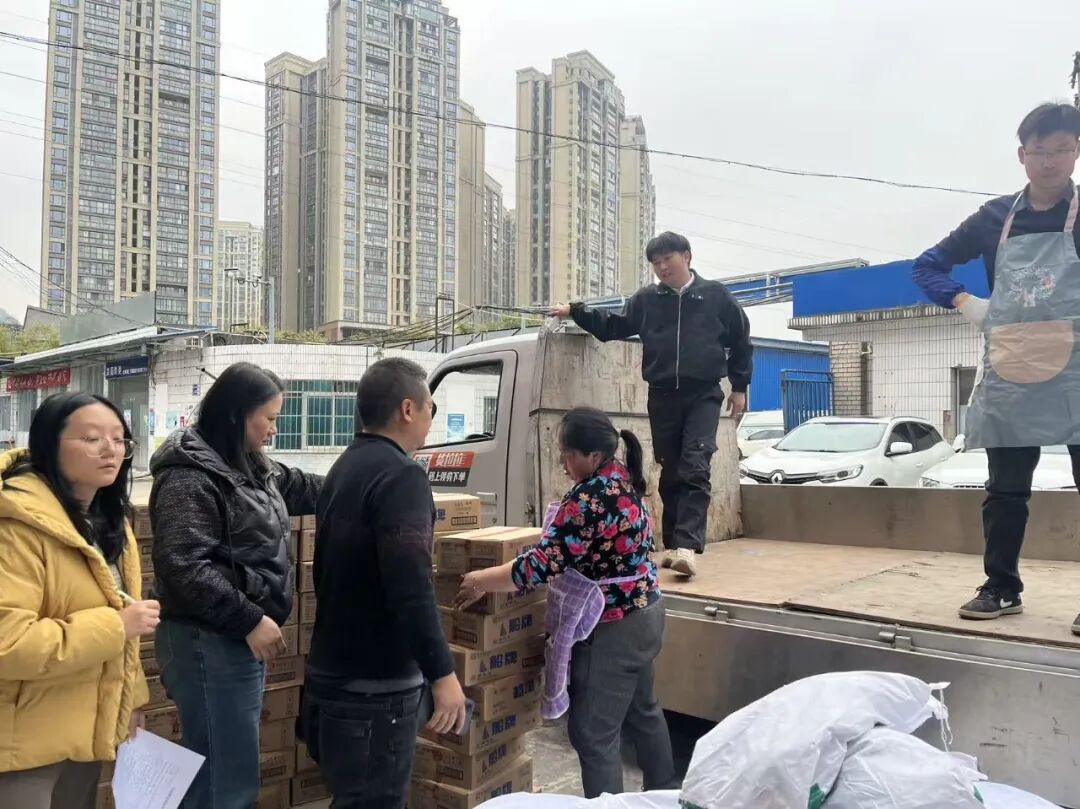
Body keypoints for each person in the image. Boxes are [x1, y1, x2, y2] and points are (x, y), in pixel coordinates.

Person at [912, 102, 1080, 627]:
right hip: (1013, 367)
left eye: (1061, 150)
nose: (1050, 161)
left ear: (1076, 151)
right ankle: (1001, 587)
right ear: (1021, 155)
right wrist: (964, 301)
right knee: (1005, 490)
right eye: (1039, 151)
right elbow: (927, 265)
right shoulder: (993, 217)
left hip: (1078, 371)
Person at [456, 407, 676, 799]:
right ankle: (666, 793)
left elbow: (543, 563)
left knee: (593, 733)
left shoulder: (589, 497)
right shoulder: (621, 476)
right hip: (647, 612)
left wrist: (480, 580)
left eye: (568, 454)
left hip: (614, 627)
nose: (563, 463)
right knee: (643, 711)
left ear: (593, 455)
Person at [149, 363, 323, 809]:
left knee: (228, 765)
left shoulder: (248, 465)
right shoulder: (189, 475)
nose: (274, 429)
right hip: (208, 640)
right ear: (235, 414)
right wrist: (249, 620)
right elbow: (183, 566)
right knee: (223, 779)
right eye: (269, 418)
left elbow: (301, 487)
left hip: (232, 639)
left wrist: (365, 480)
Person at [301, 357, 467, 809]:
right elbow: (410, 586)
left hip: (331, 680)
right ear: (408, 409)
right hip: (374, 694)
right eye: (431, 408)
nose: (431, 418)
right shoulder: (402, 475)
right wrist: (442, 674)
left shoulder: (345, 467)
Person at [550, 232, 753, 577]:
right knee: (670, 469)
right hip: (662, 395)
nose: (662, 268)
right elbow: (615, 325)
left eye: (667, 260)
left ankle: (687, 546)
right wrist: (577, 311)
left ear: (686, 256)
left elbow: (741, 341)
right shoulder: (646, 300)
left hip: (703, 393)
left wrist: (739, 387)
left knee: (696, 463)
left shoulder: (716, 296)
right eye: (656, 263)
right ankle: (674, 546)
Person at [0, 393, 158, 808]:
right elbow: (8, 643)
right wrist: (116, 626)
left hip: (84, 734)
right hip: (22, 746)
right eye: (91, 438)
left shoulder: (107, 522)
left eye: (119, 439)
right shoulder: (15, 527)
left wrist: (129, 702)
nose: (110, 450)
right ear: (49, 443)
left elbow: (123, 635)